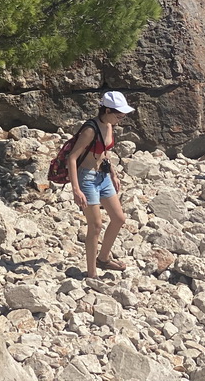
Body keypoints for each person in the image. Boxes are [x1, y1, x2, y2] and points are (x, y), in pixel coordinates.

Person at [68, 91, 132, 278]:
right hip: (86, 178)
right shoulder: (90, 129)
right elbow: (72, 158)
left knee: (119, 218)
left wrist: (113, 173)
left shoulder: (109, 125)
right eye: (118, 115)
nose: (121, 119)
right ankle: (92, 273)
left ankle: (103, 258)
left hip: (103, 176)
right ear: (106, 110)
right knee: (95, 225)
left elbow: (105, 152)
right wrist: (76, 189)